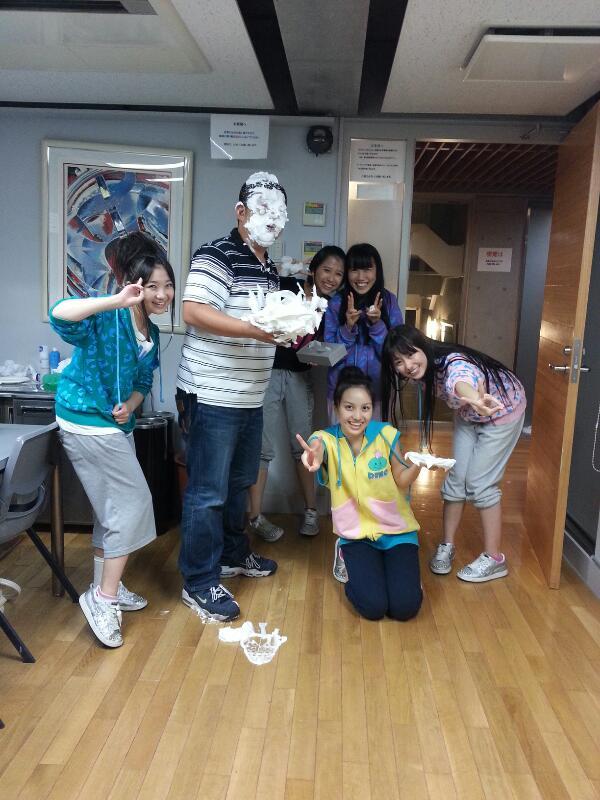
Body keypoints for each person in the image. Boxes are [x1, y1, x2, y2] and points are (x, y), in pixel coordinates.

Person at [49, 232, 175, 648]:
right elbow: (60, 315)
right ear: (135, 286)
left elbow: (142, 380)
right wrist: (113, 301)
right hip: (85, 420)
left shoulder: (150, 332)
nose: (162, 294)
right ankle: (102, 599)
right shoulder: (110, 317)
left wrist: (132, 405)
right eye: (153, 286)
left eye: (167, 286)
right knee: (133, 503)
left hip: (115, 424)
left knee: (111, 512)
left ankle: (109, 585)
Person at [176, 172, 288, 622]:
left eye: (278, 213)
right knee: (207, 492)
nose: (272, 220)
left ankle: (233, 554)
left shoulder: (269, 267)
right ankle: (198, 581)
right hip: (210, 393)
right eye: (263, 210)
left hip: (249, 396)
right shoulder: (217, 254)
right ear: (240, 212)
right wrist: (254, 330)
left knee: (240, 483)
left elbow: (266, 324)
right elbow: (192, 311)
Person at [381, 325, 527, 582]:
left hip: (502, 410)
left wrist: (476, 399)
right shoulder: (424, 374)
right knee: (456, 478)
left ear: (423, 345)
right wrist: (473, 404)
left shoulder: (454, 363)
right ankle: (447, 545)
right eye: (399, 362)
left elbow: (460, 381)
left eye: (410, 354)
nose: (408, 366)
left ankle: (495, 559)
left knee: (480, 484)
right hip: (470, 414)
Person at [297, 367, 424, 621]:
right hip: (356, 535)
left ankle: (400, 579)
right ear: (336, 407)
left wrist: (419, 464)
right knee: (373, 608)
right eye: (349, 407)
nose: (357, 416)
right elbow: (315, 447)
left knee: (405, 608)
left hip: (397, 531)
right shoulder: (326, 438)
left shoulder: (385, 435)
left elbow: (401, 478)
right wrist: (313, 456)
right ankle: (345, 556)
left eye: (365, 408)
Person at [247, 245, 345, 541]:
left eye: (338, 273)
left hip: (301, 376)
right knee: (261, 448)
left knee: (303, 445)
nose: (331, 278)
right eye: (326, 270)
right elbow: (264, 313)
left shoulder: (331, 307)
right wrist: (288, 267)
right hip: (267, 372)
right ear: (313, 269)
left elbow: (326, 343)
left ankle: (311, 511)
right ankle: (255, 517)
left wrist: (320, 355)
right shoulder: (289, 286)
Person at [323, 243, 403, 419]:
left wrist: (377, 325)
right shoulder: (336, 303)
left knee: (375, 437)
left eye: (367, 269)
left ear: (377, 271)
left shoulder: (389, 302)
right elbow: (330, 355)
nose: (361, 277)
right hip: (342, 391)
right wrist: (348, 328)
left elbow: (395, 354)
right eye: (354, 270)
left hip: (377, 393)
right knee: (341, 437)